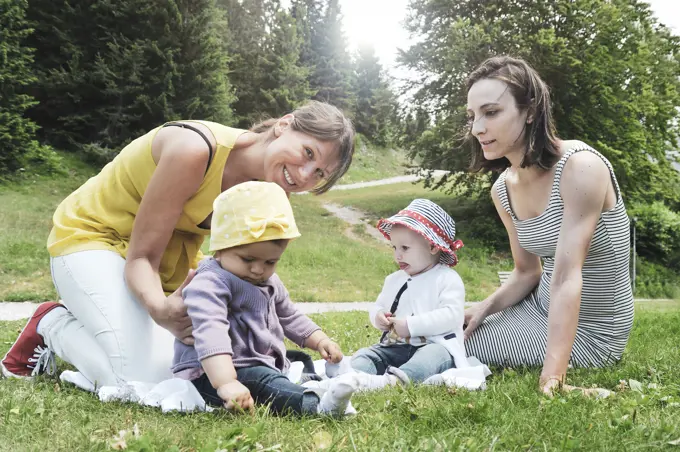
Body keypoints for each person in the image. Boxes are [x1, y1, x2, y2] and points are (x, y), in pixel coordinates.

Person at [1, 101, 355, 388]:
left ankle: (105, 324)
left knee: (187, 369)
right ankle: (52, 324)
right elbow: (142, 257)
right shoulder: (194, 150)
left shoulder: (268, 193)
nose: (305, 176)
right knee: (140, 377)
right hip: (94, 241)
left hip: (167, 262)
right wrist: (160, 310)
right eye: (308, 153)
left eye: (320, 173)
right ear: (284, 124)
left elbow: (245, 270)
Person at [461, 56, 633, 396]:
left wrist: (552, 378)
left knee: (458, 346)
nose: (477, 128)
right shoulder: (502, 190)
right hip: (540, 306)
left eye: (491, 112)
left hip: (595, 330)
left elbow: (568, 275)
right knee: (454, 328)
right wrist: (483, 307)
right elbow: (527, 273)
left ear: (530, 111)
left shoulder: (581, 168)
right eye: (472, 116)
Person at [173, 181, 357, 416]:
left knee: (289, 364)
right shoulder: (210, 283)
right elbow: (211, 333)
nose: (259, 270)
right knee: (262, 381)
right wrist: (226, 383)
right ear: (220, 248)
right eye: (248, 260)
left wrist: (320, 340)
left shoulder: (268, 281)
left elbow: (289, 315)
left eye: (270, 262)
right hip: (211, 374)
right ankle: (317, 405)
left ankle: (313, 385)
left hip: (254, 364)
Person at [347, 199, 467, 391]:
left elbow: (451, 316)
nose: (398, 256)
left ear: (433, 247)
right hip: (395, 346)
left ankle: (395, 382)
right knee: (367, 355)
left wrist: (411, 325)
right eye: (394, 248)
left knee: (429, 360)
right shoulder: (394, 280)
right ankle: (353, 377)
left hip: (435, 346)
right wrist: (378, 317)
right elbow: (379, 306)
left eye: (405, 248)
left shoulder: (447, 279)